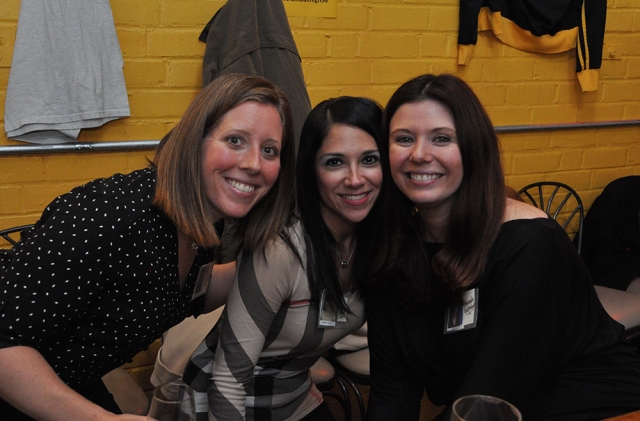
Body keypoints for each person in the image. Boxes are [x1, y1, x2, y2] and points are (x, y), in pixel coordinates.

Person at [0, 73, 296, 421]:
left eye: (269, 150)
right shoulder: (110, 214)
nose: (253, 164)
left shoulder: (198, 221)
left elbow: (185, 293)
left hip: (68, 377)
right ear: (194, 141)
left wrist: (277, 262)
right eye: (235, 140)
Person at [362, 74, 640, 421]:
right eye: (404, 138)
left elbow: (485, 398)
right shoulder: (393, 250)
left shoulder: (530, 245)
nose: (419, 154)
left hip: (600, 409)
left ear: (474, 149)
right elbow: (393, 392)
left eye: (442, 138)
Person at [183, 96, 384, 421]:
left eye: (370, 159)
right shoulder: (280, 249)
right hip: (224, 404)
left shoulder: (380, 244)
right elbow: (228, 380)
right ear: (311, 170)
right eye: (334, 162)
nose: (355, 179)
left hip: (295, 399)